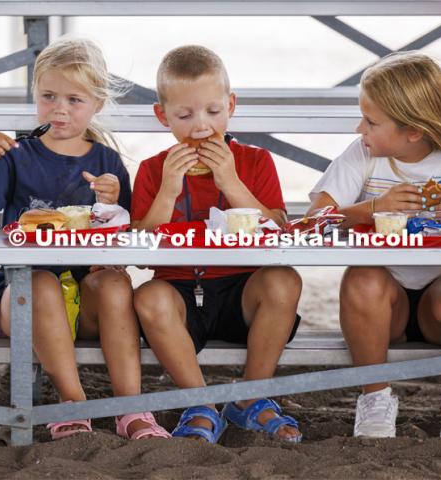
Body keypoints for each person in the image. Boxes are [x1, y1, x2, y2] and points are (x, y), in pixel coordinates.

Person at [0, 36, 170, 441]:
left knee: (117, 282)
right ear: (35, 94)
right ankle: (73, 402)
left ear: (98, 103)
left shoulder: (107, 161)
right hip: (24, 301)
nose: (60, 108)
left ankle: (130, 409)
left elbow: (127, 235)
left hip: (85, 303)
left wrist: (115, 204)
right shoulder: (16, 153)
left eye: (74, 99)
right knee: (42, 281)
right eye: (48, 96)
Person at [131, 45, 303, 444]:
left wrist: (231, 183)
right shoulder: (153, 170)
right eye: (184, 115)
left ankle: (249, 398)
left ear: (231, 105)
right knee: (147, 297)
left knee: (285, 281)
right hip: (178, 292)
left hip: (243, 291)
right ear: (162, 116)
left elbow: (277, 230)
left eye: (213, 111)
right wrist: (168, 191)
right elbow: (138, 247)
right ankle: (201, 402)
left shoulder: (256, 161)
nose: (201, 127)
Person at [308, 51, 441, 438]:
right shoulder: (365, 156)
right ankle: (375, 398)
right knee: (362, 278)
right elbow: (313, 223)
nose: (360, 129)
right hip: (383, 309)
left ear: (414, 131)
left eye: (371, 122)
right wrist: (370, 208)